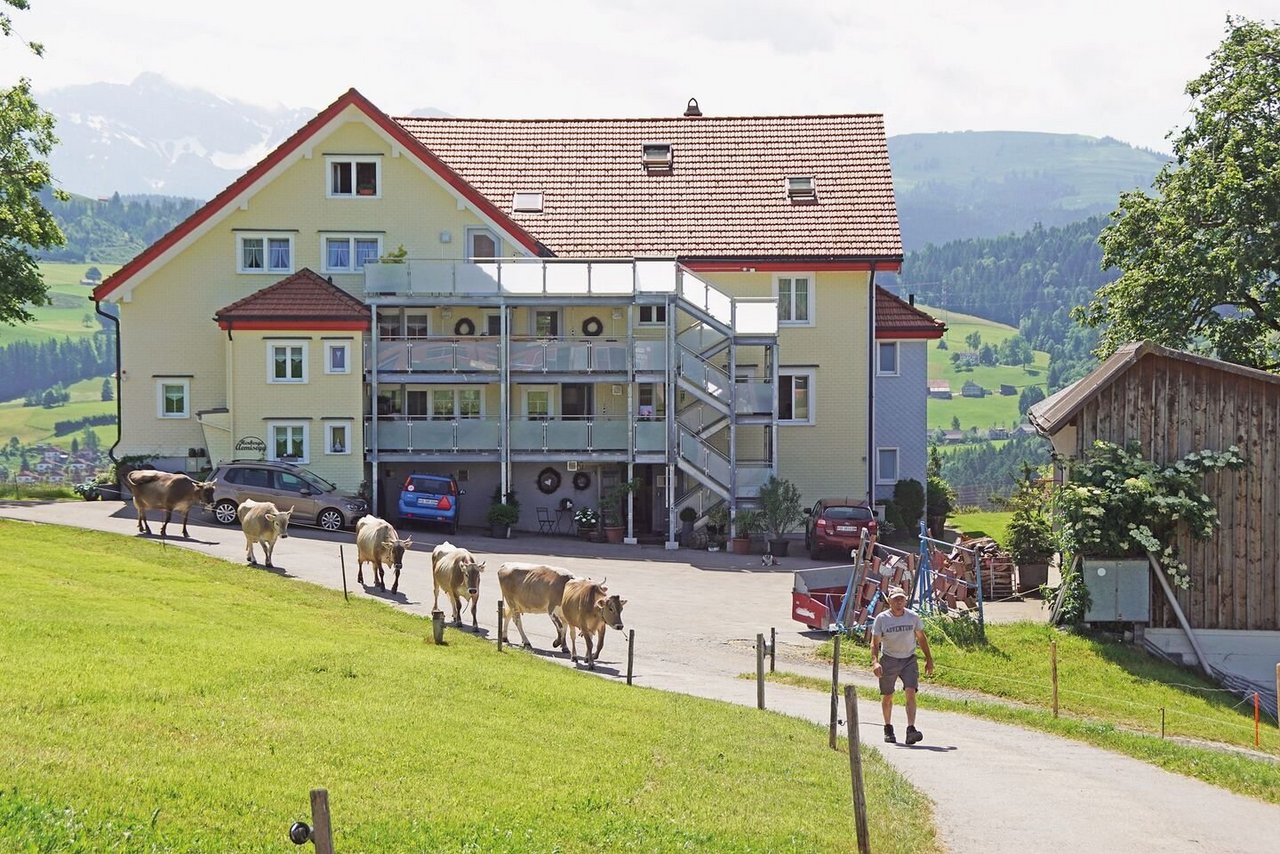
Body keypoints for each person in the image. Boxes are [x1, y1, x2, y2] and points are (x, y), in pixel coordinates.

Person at [870, 586, 934, 744]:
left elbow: (921, 638)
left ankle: (911, 729)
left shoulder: (912, 617)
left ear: (905, 600)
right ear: (889, 601)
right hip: (889, 659)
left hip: (909, 659)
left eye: (901, 598)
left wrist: (929, 659)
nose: (899, 602)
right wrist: (875, 662)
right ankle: (888, 728)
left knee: (911, 691)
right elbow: (874, 642)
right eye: (895, 599)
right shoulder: (882, 619)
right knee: (888, 695)